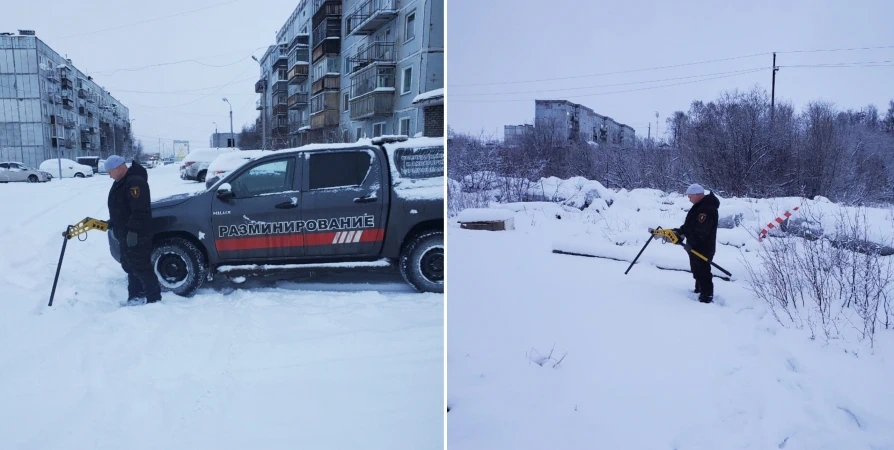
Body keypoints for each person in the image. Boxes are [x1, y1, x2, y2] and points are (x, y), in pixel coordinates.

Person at [105, 156, 162, 304]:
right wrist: (112, 222)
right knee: (131, 266)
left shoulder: (135, 183)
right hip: (126, 233)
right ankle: (136, 295)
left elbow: (140, 211)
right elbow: (123, 208)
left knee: (141, 267)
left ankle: (154, 298)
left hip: (137, 234)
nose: (109, 175)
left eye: (110, 171)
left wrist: (133, 232)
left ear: (118, 168)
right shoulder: (122, 181)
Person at [674, 183, 720, 303]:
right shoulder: (699, 206)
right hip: (695, 245)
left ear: (698, 194)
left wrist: (686, 237)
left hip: (703, 246)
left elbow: (702, 231)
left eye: (690, 197)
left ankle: (706, 296)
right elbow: (690, 225)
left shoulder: (707, 208)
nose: (689, 199)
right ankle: (699, 290)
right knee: (696, 270)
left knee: (703, 272)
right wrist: (679, 232)